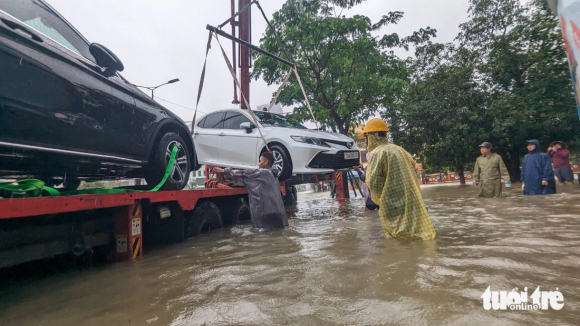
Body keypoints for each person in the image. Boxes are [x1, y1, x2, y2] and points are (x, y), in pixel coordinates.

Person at [362, 118, 436, 240]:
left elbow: (373, 183)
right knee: (414, 233)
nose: (365, 142)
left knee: (396, 237)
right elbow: (416, 171)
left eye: (365, 138)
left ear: (371, 137)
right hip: (412, 201)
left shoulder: (377, 153)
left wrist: (379, 200)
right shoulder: (400, 150)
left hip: (392, 205)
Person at [213, 152, 288, 229]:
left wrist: (224, 171)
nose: (259, 164)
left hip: (267, 214)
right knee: (276, 235)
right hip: (277, 213)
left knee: (265, 234)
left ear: (266, 162)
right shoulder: (274, 174)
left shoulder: (265, 172)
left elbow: (245, 174)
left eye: (260, 161)